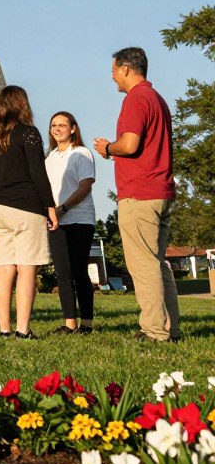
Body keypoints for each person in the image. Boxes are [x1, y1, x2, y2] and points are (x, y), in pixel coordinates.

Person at [93, 47, 180, 343]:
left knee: (143, 265)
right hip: (162, 189)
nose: (113, 77)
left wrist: (107, 148)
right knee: (156, 262)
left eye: (114, 71)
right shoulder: (157, 99)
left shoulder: (136, 99)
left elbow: (129, 145)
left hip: (140, 193)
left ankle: (155, 331)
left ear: (127, 69)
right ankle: (171, 328)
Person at [0, 85, 58, 340]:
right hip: (25, 206)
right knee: (26, 268)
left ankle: (3, 329)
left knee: (4, 267)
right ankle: (22, 329)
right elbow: (38, 172)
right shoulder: (28, 133)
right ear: (22, 104)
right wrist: (50, 206)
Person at [45, 112, 97, 335]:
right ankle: (69, 323)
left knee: (79, 271)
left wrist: (63, 208)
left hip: (79, 219)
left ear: (73, 129)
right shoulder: (49, 158)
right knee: (63, 273)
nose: (57, 129)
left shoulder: (81, 153)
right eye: (53, 125)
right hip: (56, 222)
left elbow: (85, 186)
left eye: (62, 125)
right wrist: (51, 213)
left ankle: (87, 324)